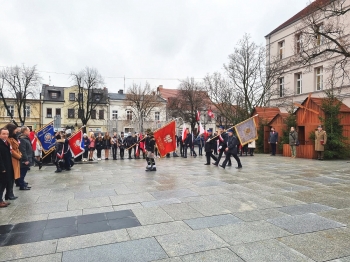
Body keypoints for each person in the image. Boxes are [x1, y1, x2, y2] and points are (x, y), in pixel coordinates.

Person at [5, 124, 21, 196]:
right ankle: (9, 193)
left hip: (16, 158)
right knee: (11, 177)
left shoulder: (13, 137)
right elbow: (11, 150)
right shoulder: (8, 139)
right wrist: (19, 156)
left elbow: (17, 148)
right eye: (15, 129)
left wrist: (20, 154)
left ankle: (10, 193)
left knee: (13, 177)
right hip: (13, 159)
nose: (16, 131)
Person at [0, 128, 14, 207]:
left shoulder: (7, 143)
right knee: (1, 185)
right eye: (3, 134)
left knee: (4, 184)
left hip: (7, 166)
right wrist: (2, 168)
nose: (5, 136)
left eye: (7, 134)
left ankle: (1, 200)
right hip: (2, 168)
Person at [18, 126, 34, 190]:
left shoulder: (26, 138)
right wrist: (25, 159)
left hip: (28, 157)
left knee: (24, 172)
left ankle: (23, 184)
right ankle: (22, 186)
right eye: (28, 130)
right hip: (25, 159)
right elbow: (23, 150)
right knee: (22, 173)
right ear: (25, 131)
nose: (29, 132)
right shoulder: (22, 139)